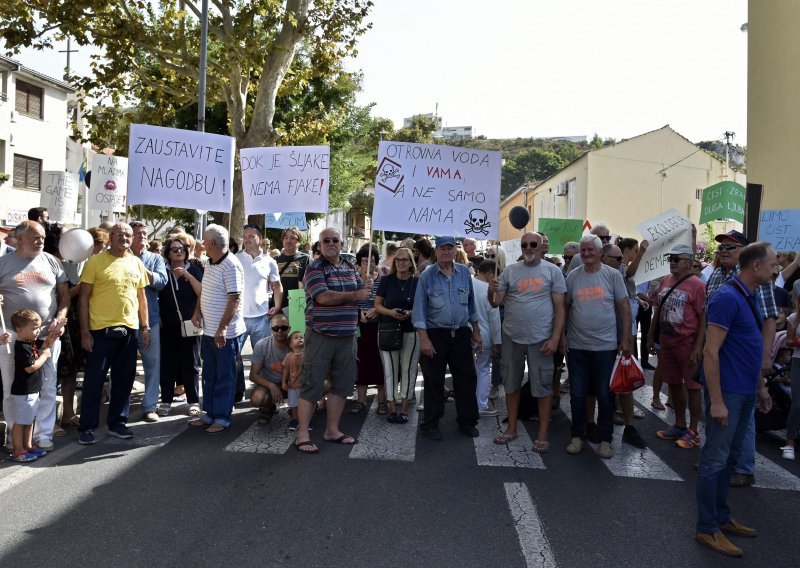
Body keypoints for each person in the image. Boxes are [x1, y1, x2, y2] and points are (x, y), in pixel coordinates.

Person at [695, 242, 776, 557]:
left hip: (744, 391)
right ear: (755, 267)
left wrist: (761, 387)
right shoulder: (727, 297)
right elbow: (710, 351)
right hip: (726, 393)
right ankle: (706, 527)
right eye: (771, 264)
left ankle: (721, 517)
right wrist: (716, 400)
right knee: (715, 459)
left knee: (728, 459)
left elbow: (751, 346)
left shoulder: (749, 295)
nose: (775, 270)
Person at [705, 230, 779, 488]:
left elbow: (768, 320)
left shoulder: (759, 284)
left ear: (744, 254)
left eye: (730, 246)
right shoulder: (719, 278)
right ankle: (718, 467)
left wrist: (764, 360)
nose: (724, 250)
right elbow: (711, 334)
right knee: (720, 437)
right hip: (723, 369)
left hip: (742, 371)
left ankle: (742, 468)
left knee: (740, 425)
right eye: (721, 247)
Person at [294, 227, 370, 453]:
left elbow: (362, 293)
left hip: (347, 335)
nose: (331, 243)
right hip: (321, 334)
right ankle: (302, 434)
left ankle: (332, 430)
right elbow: (323, 297)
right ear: (319, 245)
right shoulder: (314, 268)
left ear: (342, 244)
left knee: (342, 385)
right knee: (311, 385)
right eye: (326, 240)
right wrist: (356, 295)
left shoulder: (349, 267)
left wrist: (367, 285)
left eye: (335, 240)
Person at [489, 232, 566, 452]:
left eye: (533, 244)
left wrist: (555, 338)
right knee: (511, 384)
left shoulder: (552, 271)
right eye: (524, 245)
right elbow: (496, 304)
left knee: (542, 387)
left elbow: (561, 308)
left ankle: (542, 434)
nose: (528, 248)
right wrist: (490, 290)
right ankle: (511, 429)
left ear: (542, 246)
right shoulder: (510, 271)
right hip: (512, 337)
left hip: (541, 339)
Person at [77, 223, 150, 444]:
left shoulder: (136, 263)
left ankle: (117, 422)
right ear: (110, 237)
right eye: (120, 234)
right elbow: (82, 299)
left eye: (128, 235)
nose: (125, 238)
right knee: (94, 381)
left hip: (129, 330)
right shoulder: (95, 261)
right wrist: (85, 332)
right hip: (99, 331)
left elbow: (142, 298)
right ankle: (86, 426)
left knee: (124, 379)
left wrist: (145, 327)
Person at [0, 221, 69, 453]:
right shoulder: (3, 264)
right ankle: (15, 438)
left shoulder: (52, 261)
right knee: (13, 389)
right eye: (34, 237)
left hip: (48, 334)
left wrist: (61, 317)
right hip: (13, 337)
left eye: (41, 236)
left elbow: (64, 297)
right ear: (19, 239)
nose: (40, 240)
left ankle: (44, 434)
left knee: (48, 386)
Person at [562, 234, 631, 459]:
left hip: (605, 347)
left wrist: (626, 338)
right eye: (583, 250)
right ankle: (577, 436)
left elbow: (624, 307)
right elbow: (565, 308)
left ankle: (605, 440)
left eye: (590, 249)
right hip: (577, 346)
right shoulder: (573, 277)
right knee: (578, 394)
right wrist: (562, 336)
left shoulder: (612, 276)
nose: (586, 253)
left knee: (605, 394)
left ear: (601, 253)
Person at [413, 235, 482, 441]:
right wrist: (424, 339)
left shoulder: (464, 273)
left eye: (450, 248)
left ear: (455, 251)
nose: (446, 252)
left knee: (466, 378)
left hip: (461, 332)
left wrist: (477, 332)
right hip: (436, 334)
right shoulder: (427, 275)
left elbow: (471, 306)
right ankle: (431, 424)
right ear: (436, 251)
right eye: (442, 248)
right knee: (434, 381)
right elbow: (419, 311)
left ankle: (467, 421)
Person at [648, 244, 706, 448]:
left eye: (676, 259)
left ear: (689, 263)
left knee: (692, 386)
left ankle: (693, 430)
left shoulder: (697, 285)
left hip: (687, 343)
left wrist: (698, 347)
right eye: (670, 259)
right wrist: (649, 336)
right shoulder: (665, 280)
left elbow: (702, 317)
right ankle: (679, 425)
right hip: (667, 342)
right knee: (673, 383)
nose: (672, 262)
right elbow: (658, 310)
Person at [190, 224, 246, 434]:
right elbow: (204, 292)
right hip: (208, 331)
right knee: (210, 374)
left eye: (204, 241)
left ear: (212, 243)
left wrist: (222, 329)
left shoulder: (231, 265)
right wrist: (197, 312)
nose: (202, 244)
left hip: (226, 334)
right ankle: (211, 413)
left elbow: (235, 299)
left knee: (224, 375)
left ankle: (222, 417)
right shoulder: (211, 263)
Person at [600, 243, 647, 449]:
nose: (621, 263)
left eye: (622, 259)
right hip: (599, 341)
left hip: (618, 338)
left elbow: (625, 308)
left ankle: (629, 428)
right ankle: (597, 424)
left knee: (625, 383)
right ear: (605, 258)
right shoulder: (591, 274)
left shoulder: (618, 274)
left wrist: (626, 338)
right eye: (618, 259)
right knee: (601, 385)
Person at [237, 224, 284, 400]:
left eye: (250, 236)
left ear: (260, 239)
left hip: (261, 318)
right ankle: (238, 390)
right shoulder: (235, 259)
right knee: (235, 357)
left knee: (264, 359)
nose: (246, 239)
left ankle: (263, 393)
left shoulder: (269, 261)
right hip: (239, 318)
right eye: (244, 236)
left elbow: (277, 286)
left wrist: (277, 306)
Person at [158, 237, 203, 417]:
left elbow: (201, 292)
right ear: (167, 253)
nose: (178, 252)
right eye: (174, 249)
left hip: (190, 323)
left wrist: (197, 314)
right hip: (167, 325)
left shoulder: (195, 269)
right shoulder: (162, 271)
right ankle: (166, 401)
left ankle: (193, 401)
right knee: (167, 363)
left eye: (181, 249)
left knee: (191, 363)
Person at [374, 246, 420, 424]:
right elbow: (378, 305)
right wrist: (390, 312)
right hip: (389, 329)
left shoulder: (417, 282)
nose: (401, 263)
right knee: (390, 370)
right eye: (398, 260)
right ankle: (392, 408)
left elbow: (423, 305)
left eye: (405, 260)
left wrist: (411, 312)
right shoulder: (386, 280)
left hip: (411, 329)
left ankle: (405, 408)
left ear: (411, 263)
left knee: (409, 369)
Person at [130, 221, 168, 422]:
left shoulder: (155, 258)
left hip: (150, 320)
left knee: (152, 365)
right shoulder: (123, 257)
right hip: (126, 321)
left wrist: (141, 272)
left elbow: (162, 282)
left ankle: (149, 406)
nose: (142, 236)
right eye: (138, 233)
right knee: (125, 366)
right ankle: (122, 406)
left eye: (144, 233)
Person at [5, 309, 54, 462]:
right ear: (19, 329)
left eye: (38, 327)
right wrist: (45, 356)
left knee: (30, 419)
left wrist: (54, 332)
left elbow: (46, 344)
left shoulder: (31, 342)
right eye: (33, 328)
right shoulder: (21, 347)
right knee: (20, 421)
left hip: (32, 390)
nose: (37, 331)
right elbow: (30, 367)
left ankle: (28, 445)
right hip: (23, 391)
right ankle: (18, 450)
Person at [352, 244, 387, 415]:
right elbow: (349, 301)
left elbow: (388, 301)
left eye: (372, 261)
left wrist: (376, 309)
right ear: (359, 263)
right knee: (361, 362)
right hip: (359, 327)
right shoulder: (354, 280)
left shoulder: (384, 279)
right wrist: (358, 311)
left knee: (380, 363)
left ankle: (382, 401)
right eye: (365, 261)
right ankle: (360, 400)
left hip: (379, 326)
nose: (369, 265)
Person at [249, 314, 291, 424]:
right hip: (269, 384)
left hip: (292, 383)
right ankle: (268, 407)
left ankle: (300, 407)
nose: (280, 331)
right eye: (275, 328)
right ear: (270, 329)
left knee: (324, 385)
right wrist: (271, 386)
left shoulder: (296, 345)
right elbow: (253, 375)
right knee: (257, 398)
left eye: (284, 328)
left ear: (289, 328)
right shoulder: (262, 345)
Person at [473, 261, 501, 417]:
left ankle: (468, 403)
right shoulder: (490, 291)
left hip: (467, 332)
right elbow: (494, 320)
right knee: (483, 370)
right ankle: (481, 405)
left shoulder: (468, 283)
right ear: (491, 273)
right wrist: (497, 343)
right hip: (486, 335)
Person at [273, 226, 310, 313]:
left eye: (292, 238)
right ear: (282, 240)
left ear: (298, 242)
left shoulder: (306, 259)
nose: (289, 241)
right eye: (286, 237)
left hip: (297, 305)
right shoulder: (275, 260)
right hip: (277, 305)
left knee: (296, 327)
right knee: (277, 327)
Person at [782, 298, 800, 460]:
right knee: (797, 405)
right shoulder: (793, 318)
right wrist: (797, 341)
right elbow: (788, 341)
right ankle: (789, 442)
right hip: (798, 361)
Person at [281, 330, 305, 430]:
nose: (300, 338)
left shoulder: (307, 354)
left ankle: (306, 421)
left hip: (304, 386)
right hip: (292, 386)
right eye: (296, 337)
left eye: (301, 337)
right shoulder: (289, 356)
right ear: (291, 345)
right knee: (294, 404)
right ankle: (295, 420)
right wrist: (284, 381)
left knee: (305, 404)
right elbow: (286, 370)